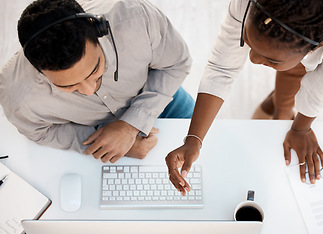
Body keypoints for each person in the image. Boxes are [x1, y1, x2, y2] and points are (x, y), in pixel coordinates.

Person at [165, 0, 323, 196]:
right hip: (296, 48)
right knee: (291, 70)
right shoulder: (247, 5)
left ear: (316, 47)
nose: (253, 59)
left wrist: (301, 129)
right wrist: (194, 140)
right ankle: (280, 107)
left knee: (301, 71)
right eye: (246, 40)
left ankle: (280, 105)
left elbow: (322, 88)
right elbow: (221, 69)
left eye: (271, 60)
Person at [0, 0, 194, 163]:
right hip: (96, 127)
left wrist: (130, 126)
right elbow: (40, 133)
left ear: (98, 30)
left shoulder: (136, 18)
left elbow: (176, 64)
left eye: (95, 70)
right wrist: (101, 142)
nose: (88, 89)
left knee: (205, 151)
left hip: (159, 96)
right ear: (38, 71)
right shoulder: (17, 97)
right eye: (68, 86)